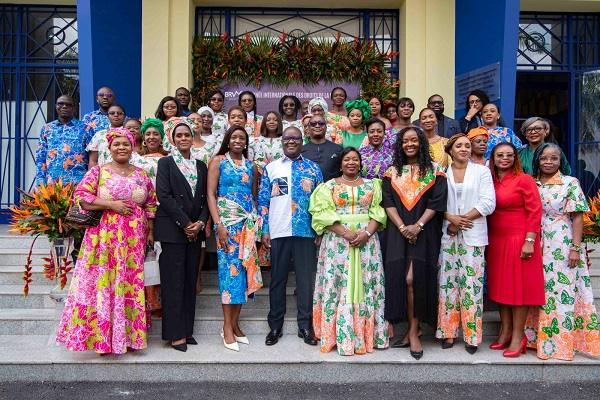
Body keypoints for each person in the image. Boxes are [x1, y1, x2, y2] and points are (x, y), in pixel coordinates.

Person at [56, 127, 157, 354]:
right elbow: (81, 197)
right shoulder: (99, 172)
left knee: (129, 285)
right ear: (109, 148)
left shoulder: (142, 174)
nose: (121, 147)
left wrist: (150, 231)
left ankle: (128, 338)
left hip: (133, 241)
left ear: (133, 147)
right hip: (104, 239)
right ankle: (103, 340)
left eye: (126, 144)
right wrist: (111, 205)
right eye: (116, 144)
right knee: (105, 283)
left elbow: (151, 204)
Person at [309, 147, 389, 355]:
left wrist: (366, 234)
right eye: (347, 159)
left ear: (360, 163)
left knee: (366, 283)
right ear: (341, 163)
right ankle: (336, 335)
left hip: (367, 243)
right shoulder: (328, 187)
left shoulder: (374, 185)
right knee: (337, 284)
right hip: (337, 242)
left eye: (355, 159)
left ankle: (366, 335)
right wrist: (346, 233)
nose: (351, 163)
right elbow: (321, 214)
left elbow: (378, 212)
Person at [524, 143, 600, 360]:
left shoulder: (570, 182)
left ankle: (560, 344)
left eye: (554, 158)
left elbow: (577, 217)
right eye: (544, 158)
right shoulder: (532, 183)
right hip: (536, 240)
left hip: (562, 242)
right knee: (539, 292)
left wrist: (575, 248)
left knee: (559, 292)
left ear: (560, 161)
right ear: (537, 160)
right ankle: (535, 339)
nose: (548, 162)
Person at [382, 126, 447, 360]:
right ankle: (413, 327)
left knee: (414, 279)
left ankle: (414, 331)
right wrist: (402, 227)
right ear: (400, 145)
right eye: (405, 141)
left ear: (421, 142)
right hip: (397, 232)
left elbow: (438, 202)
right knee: (402, 279)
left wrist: (417, 225)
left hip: (425, 231)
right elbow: (387, 202)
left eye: (414, 140)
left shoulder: (435, 171)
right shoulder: (391, 172)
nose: (409, 144)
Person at [258, 126, 323, 346]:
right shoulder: (271, 168)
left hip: (306, 231)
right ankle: (275, 326)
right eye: (287, 138)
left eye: (295, 138)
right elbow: (263, 200)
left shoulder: (314, 169)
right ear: (282, 141)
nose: (291, 141)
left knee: (305, 281)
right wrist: (264, 229)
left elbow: (321, 203)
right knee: (278, 280)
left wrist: (320, 230)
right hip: (279, 230)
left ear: (302, 141)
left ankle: (305, 326)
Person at [436, 134, 496, 354]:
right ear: (450, 150)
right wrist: (449, 219)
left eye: (467, 146)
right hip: (447, 235)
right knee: (447, 284)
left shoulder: (482, 171)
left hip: (473, 234)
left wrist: (461, 222)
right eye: (459, 145)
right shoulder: (441, 172)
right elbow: (433, 202)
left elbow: (488, 202)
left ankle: (472, 336)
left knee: (471, 285)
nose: (464, 149)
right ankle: (448, 332)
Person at [154, 120, 209, 352]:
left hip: (193, 233)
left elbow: (207, 197)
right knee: (173, 283)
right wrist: (186, 223)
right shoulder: (165, 163)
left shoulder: (201, 165)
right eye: (179, 136)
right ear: (173, 139)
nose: (184, 138)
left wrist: (201, 222)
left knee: (188, 282)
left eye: (187, 135)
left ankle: (187, 330)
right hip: (173, 232)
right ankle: (175, 334)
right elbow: (163, 196)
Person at [486, 142, 545, 358]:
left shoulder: (524, 179)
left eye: (509, 155)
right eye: (500, 155)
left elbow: (535, 211)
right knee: (500, 287)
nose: (504, 158)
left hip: (518, 238)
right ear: (493, 158)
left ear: (515, 158)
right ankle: (505, 331)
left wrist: (530, 239)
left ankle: (519, 337)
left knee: (517, 289)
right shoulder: (490, 179)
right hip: (495, 239)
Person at [207, 125, 262, 351]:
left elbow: (254, 196)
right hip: (227, 226)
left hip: (247, 226)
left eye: (242, 137)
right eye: (234, 137)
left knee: (243, 274)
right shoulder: (218, 161)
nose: (238, 140)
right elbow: (211, 194)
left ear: (246, 142)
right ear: (228, 141)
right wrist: (218, 224)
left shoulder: (252, 166)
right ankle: (226, 327)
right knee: (229, 275)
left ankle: (236, 325)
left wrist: (256, 227)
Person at [34, 95, 89, 185]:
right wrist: (40, 182)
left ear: (74, 108)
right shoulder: (47, 128)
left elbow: (92, 157)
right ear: (56, 106)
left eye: (68, 104)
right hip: (51, 183)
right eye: (60, 104)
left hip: (77, 183)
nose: (64, 106)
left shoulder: (85, 128)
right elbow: (41, 156)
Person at [302, 113, 343, 182]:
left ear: (326, 127)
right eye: (313, 124)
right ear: (308, 128)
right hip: (308, 191)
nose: (317, 126)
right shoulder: (301, 151)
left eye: (321, 123)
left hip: (332, 190)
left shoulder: (338, 149)